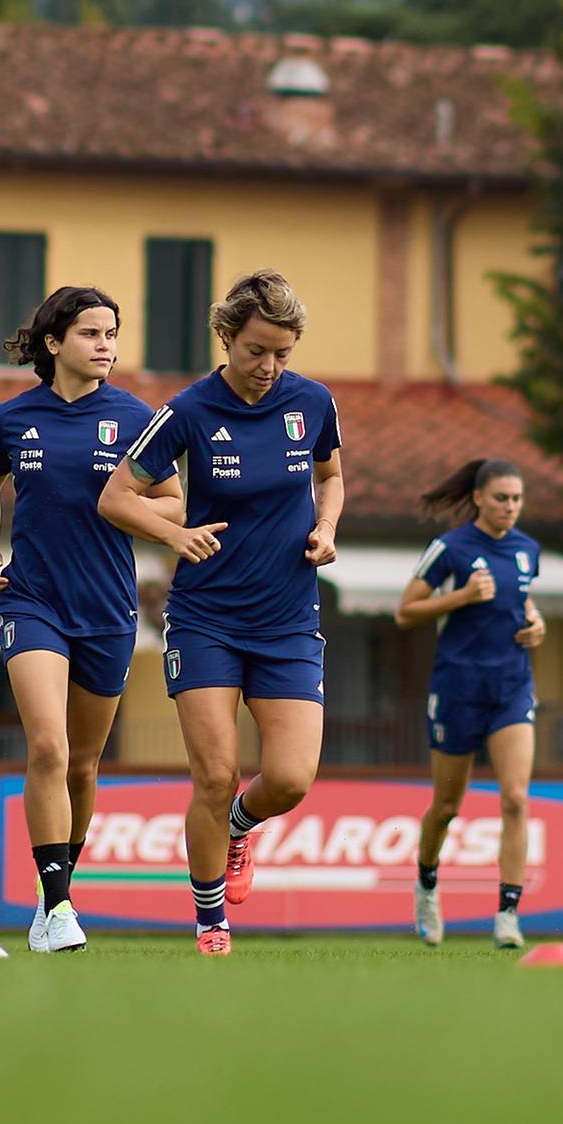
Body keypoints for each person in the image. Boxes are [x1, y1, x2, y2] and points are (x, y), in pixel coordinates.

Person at [103, 269, 342, 956]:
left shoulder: (313, 402)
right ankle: (211, 920)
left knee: (292, 778)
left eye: (283, 354)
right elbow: (117, 497)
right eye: (256, 350)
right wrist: (175, 535)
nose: (269, 367)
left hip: (289, 617)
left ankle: (240, 826)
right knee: (214, 774)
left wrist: (327, 527)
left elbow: (330, 475)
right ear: (227, 337)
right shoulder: (188, 411)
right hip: (207, 617)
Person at [0, 286, 160, 952]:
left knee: (82, 764)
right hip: (33, 600)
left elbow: (169, 497)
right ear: (54, 344)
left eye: (112, 332)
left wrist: (166, 525)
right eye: (90, 333)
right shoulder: (12, 417)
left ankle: (55, 897)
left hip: (109, 608)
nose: (105, 344)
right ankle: (57, 903)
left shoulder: (136, 416)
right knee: (47, 745)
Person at [397, 457, 545, 951]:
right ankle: (427, 885)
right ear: (479, 498)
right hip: (458, 689)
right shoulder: (451, 548)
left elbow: (519, 600)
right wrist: (458, 597)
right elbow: (406, 610)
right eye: (502, 498)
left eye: (517, 499)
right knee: (446, 806)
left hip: (511, 689)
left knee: (516, 799)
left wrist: (535, 621)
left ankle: (506, 914)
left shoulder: (528, 551)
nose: (511, 507)